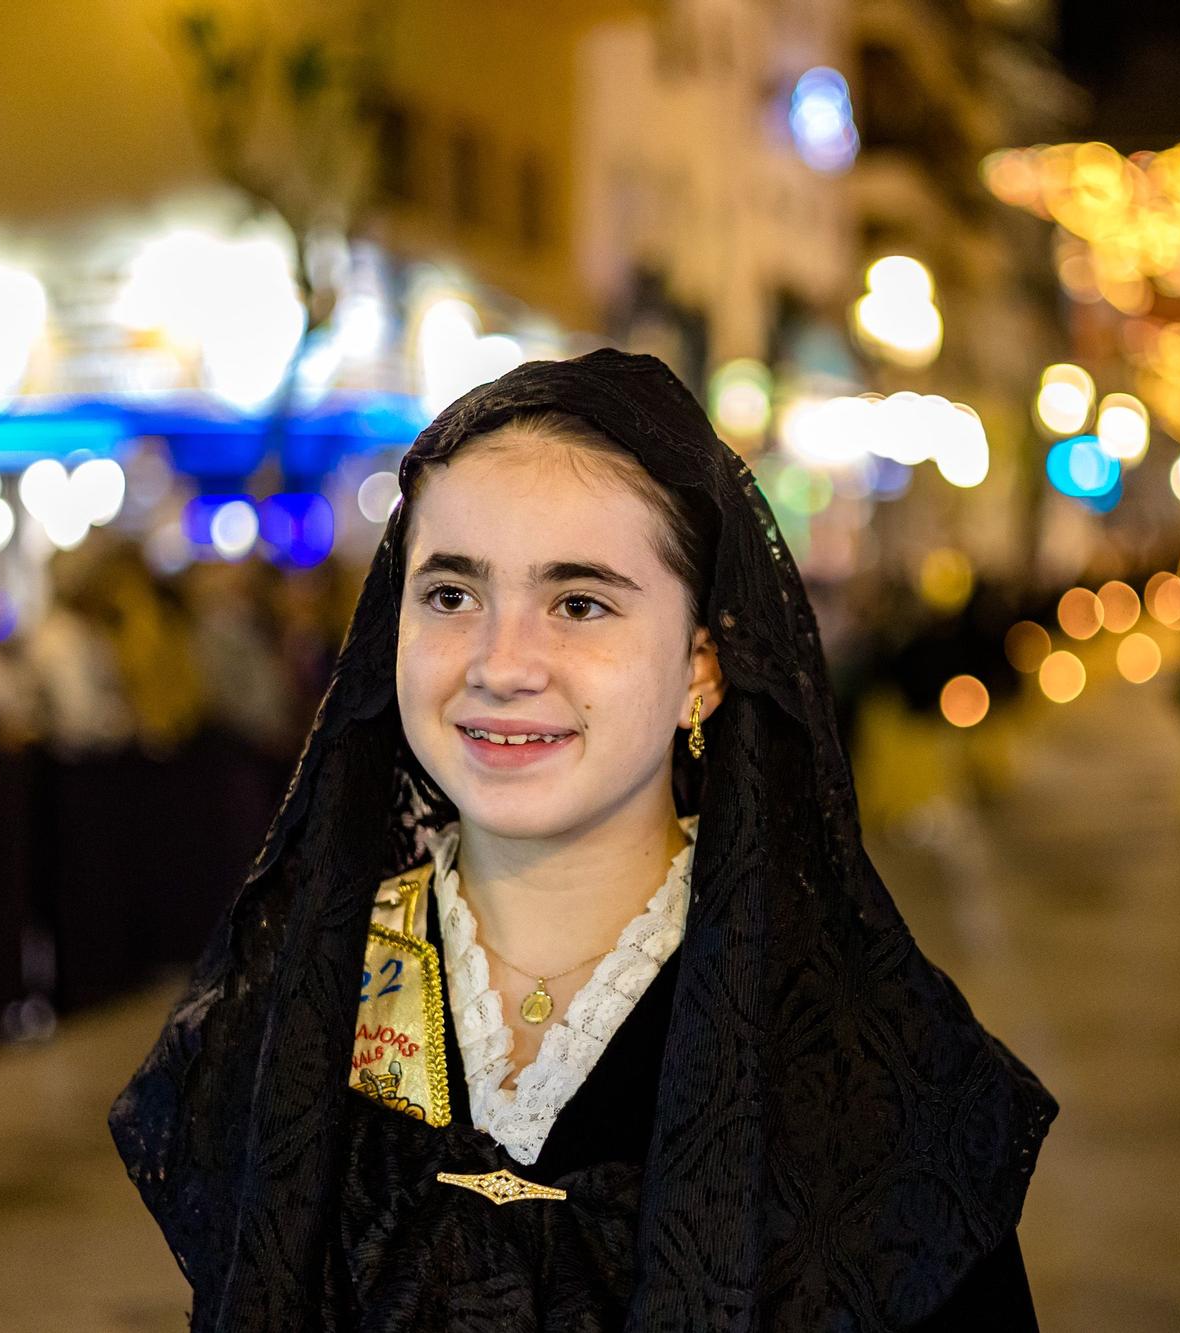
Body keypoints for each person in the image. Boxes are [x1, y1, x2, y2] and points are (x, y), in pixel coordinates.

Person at [110, 349, 1055, 1331]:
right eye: (450, 595)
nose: (500, 663)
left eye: (579, 602)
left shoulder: (863, 1056)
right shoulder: (296, 1004)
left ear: (701, 666)